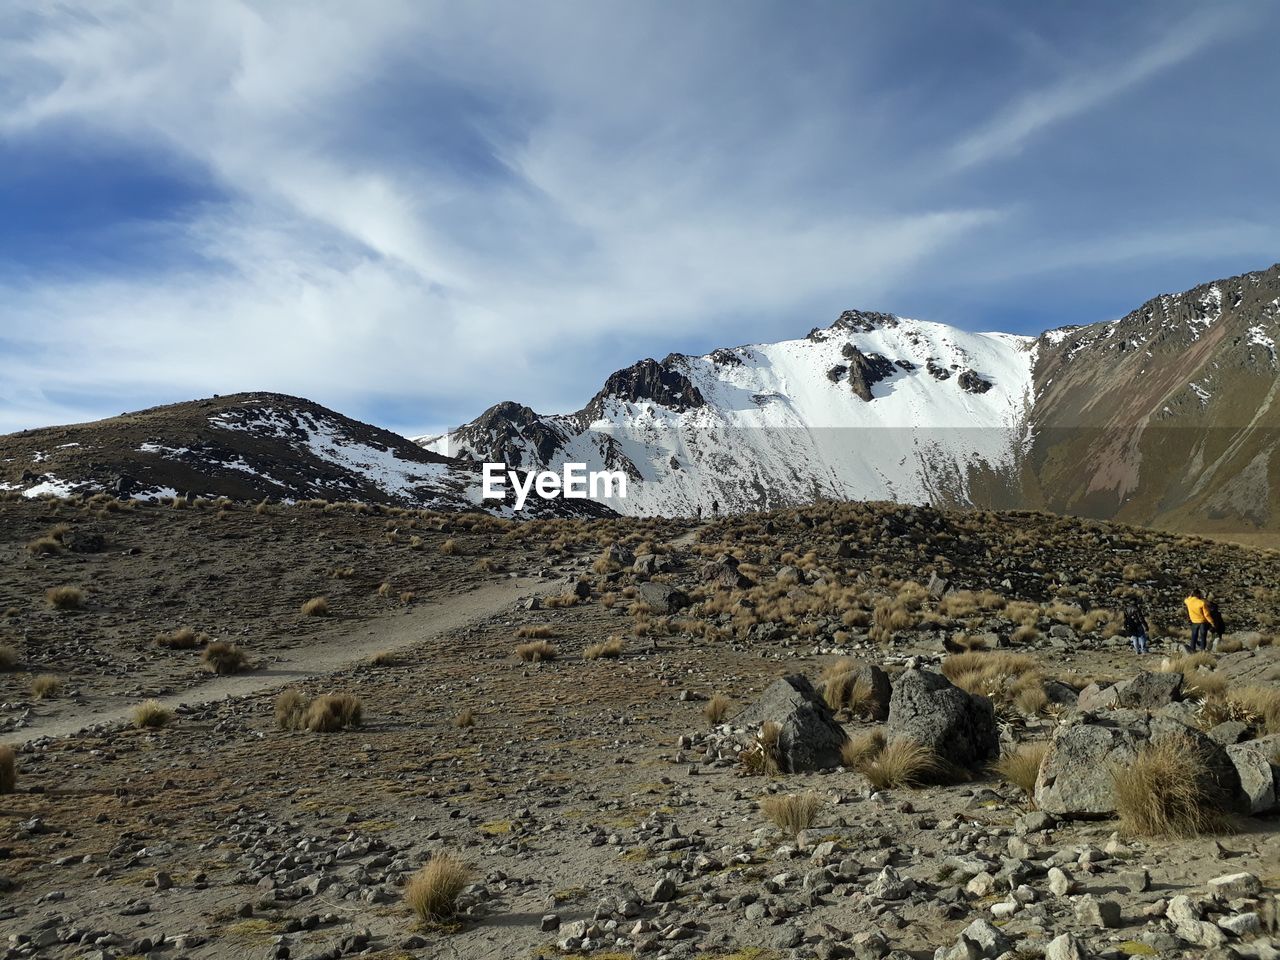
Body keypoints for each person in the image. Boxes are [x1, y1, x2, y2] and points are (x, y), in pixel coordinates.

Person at [1184, 588, 1211, 653]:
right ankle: (1202, 651)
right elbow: (1206, 614)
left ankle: (1192, 650)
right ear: (1198, 594)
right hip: (1202, 622)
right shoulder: (1201, 602)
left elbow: (1186, 600)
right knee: (1203, 637)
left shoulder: (1188, 601)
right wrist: (1211, 622)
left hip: (1194, 622)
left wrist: (1191, 595)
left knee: (1194, 636)